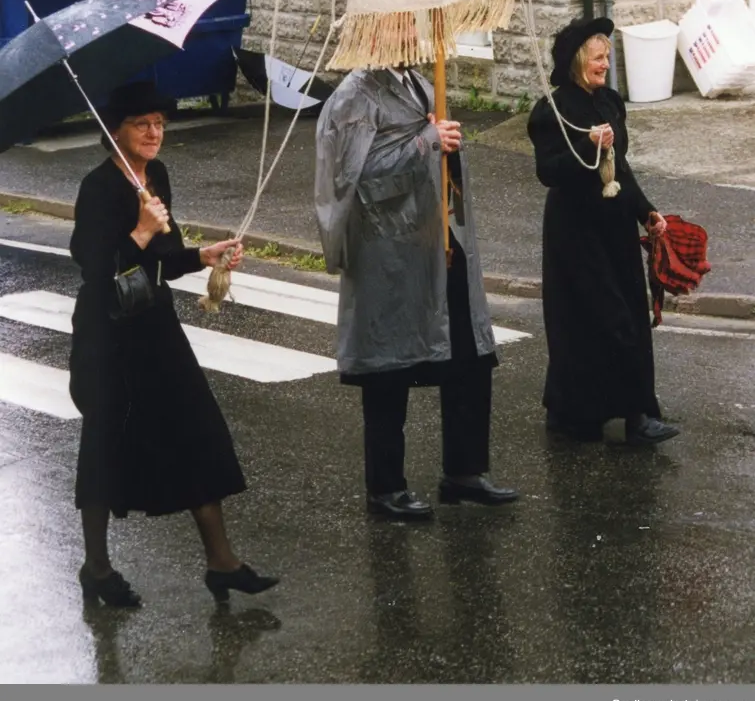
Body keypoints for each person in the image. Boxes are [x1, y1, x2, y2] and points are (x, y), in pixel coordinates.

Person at [69, 80, 278, 607]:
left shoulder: (155, 175)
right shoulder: (98, 188)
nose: (155, 132)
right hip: (108, 337)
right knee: (105, 446)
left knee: (195, 428)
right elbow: (94, 268)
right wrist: (137, 232)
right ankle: (96, 567)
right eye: (142, 124)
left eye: (160, 122)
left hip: (155, 326)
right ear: (115, 131)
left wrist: (202, 255)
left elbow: (163, 257)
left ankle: (222, 562)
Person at [315, 64, 519, 520]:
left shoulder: (421, 82)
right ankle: (385, 487)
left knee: (468, 351)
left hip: (439, 236)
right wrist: (427, 142)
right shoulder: (356, 94)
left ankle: (465, 471)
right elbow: (356, 179)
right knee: (388, 365)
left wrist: (437, 140)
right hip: (389, 250)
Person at [526, 18, 679, 445]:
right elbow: (548, 172)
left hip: (612, 226)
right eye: (598, 57)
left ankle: (625, 412)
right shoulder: (553, 110)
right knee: (594, 319)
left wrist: (646, 212)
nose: (605, 64)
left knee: (629, 312)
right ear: (578, 60)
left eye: (607, 56)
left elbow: (621, 168)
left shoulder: (611, 102)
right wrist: (588, 146)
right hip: (575, 231)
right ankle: (608, 413)